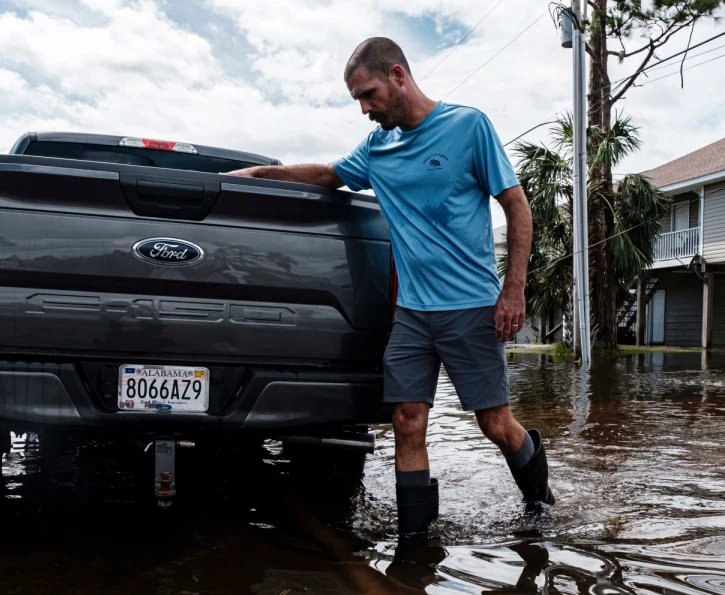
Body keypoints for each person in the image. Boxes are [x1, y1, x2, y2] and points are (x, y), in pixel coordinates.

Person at [228, 37, 554, 536]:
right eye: (357, 99)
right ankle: (415, 544)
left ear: (398, 76)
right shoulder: (378, 149)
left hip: (471, 306)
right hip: (412, 316)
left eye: (369, 94)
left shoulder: (469, 126)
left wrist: (513, 290)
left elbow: (516, 204)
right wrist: (260, 174)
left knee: (495, 425)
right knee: (406, 419)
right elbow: (328, 175)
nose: (364, 108)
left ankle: (541, 505)